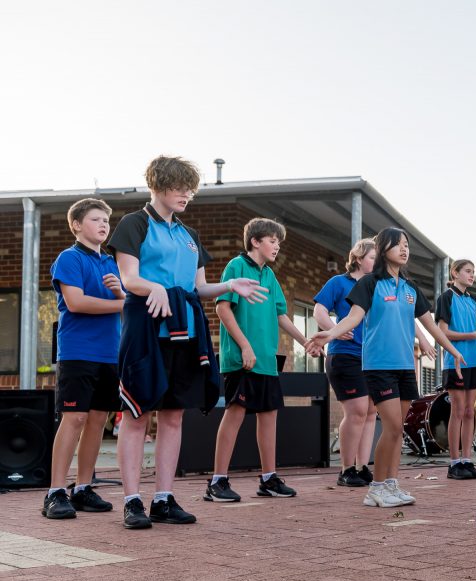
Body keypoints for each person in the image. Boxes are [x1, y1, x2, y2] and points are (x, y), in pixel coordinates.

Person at [109, 155, 268, 529]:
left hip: (185, 329)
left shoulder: (189, 234)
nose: (186, 195)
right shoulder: (134, 224)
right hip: (145, 327)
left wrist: (229, 285)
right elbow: (130, 278)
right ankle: (133, 501)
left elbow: (197, 288)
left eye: (189, 189)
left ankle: (163, 498)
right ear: (158, 187)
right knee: (137, 414)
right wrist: (156, 287)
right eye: (179, 188)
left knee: (174, 414)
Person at [306, 228, 464, 508]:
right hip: (378, 367)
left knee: (398, 429)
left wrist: (453, 351)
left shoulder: (411, 289)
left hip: (405, 367)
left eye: (407, 245)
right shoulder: (369, 284)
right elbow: (353, 318)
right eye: (398, 245)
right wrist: (329, 334)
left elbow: (429, 327)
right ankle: (376, 489)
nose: (404, 249)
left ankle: (391, 485)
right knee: (391, 427)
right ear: (383, 249)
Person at [205, 218, 315, 502]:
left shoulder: (270, 276)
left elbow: (280, 316)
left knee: (269, 416)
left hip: (266, 360)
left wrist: (306, 341)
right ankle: (217, 481)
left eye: (279, 242)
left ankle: (268, 479)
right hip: (242, 358)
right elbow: (223, 309)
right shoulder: (236, 267)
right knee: (235, 413)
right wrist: (245, 346)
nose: (277, 246)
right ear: (256, 241)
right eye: (273, 240)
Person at [43, 198, 123, 520]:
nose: (104, 225)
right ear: (77, 225)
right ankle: (55, 492)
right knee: (74, 419)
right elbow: (75, 302)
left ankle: (83, 488)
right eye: (95, 219)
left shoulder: (111, 262)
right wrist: (123, 305)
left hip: (109, 353)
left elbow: (126, 301)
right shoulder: (69, 258)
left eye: (106, 220)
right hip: (77, 352)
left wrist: (122, 295)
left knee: (97, 421)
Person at [313, 238, 378, 487]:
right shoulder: (339, 282)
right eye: (373, 257)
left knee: (371, 412)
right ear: (359, 258)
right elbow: (319, 310)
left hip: (371, 357)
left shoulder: (375, 287)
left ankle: (362, 467)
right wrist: (334, 330)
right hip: (345, 354)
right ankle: (346, 468)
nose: (377, 262)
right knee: (357, 411)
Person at [435, 259, 476, 480]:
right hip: (454, 363)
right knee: (457, 412)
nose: (471, 275)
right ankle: (454, 463)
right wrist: (474, 336)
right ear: (455, 273)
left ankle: (467, 460)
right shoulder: (446, 298)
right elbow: (442, 333)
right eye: (467, 271)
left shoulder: (475, 300)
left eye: (473, 271)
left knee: (469, 412)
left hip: (474, 363)